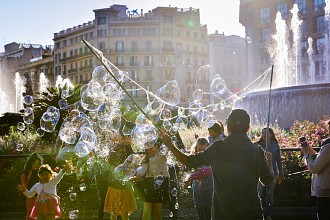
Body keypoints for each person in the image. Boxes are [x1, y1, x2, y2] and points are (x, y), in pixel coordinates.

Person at [160, 108, 274, 219]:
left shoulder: (218, 148)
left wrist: (170, 145)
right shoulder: (257, 151)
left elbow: (189, 161)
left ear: (228, 128)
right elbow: (267, 180)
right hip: (251, 212)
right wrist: (269, 160)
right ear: (248, 128)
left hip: (223, 212)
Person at [131, 139, 170, 220]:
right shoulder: (146, 158)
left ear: (156, 146)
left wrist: (166, 138)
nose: (149, 150)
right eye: (147, 148)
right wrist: (137, 176)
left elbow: (168, 150)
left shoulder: (161, 155)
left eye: (151, 147)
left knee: (158, 211)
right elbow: (143, 169)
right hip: (149, 183)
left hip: (161, 182)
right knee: (146, 210)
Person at [104, 136, 137, 220]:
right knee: (114, 211)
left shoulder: (131, 149)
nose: (129, 139)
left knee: (124, 211)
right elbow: (110, 162)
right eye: (127, 137)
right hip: (115, 183)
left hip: (125, 184)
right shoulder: (117, 148)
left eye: (130, 137)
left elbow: (134, 164)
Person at [302, 125, 330, 220]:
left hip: (326, 191)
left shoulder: (328, 147)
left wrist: (306, 154)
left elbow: (314, 168)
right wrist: (314, 154)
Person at [256, 127, 284, 220]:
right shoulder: (257, 145)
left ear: (271, 134)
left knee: (269, 194)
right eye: (262, 133)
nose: (264, 135)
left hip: (273, 172)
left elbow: (279, 161)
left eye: (266, 133)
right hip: (260, 173)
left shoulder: (275, 145)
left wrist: (281, 174)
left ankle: (268, 214)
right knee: (258, 193)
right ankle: (257, 212)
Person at [188, 137, 213, 220]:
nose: (201, 152)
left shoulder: (212, 160)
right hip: (198, 190)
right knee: (201, 214)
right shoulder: (194, 159)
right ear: (196, 149)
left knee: (209, 213)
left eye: (204, 150)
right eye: (199, 150)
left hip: (210, 189)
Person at [20, 153, 42, 220]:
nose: (37, 165)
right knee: (30, 214)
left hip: (40, 197)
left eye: (38, 164)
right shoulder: (27, 172)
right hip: (30, 197)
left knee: (40, 214)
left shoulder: (40, 173)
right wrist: (23, 188)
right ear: (31, 163)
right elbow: (23, 183)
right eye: (34, 164)